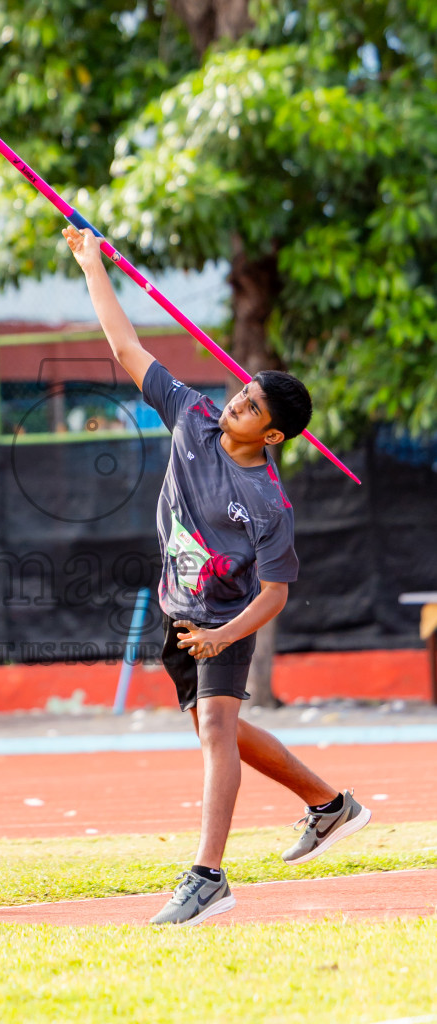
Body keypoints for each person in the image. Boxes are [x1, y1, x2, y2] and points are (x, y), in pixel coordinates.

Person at [63, 226, 371, 926]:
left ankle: (207, 877)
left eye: (254, 406)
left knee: (214, 733)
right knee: (215, 727)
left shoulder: (268, 503)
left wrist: (219, 636)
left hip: (225, 618)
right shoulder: (193, 417)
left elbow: (275, 594)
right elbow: (124, 347)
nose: (237, 401)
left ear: (272, 435)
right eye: (242, 392)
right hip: (180, 610)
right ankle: (330, 805)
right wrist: (92, 266)